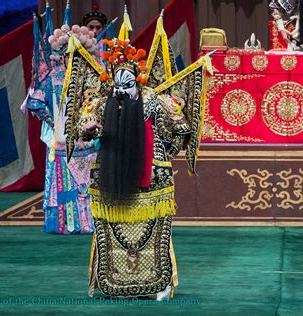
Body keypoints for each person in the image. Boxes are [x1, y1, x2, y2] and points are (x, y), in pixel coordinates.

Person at [63, 9, 210, 300]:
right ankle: (114, 281)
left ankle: (159, 282)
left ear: (138, 79)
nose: (122, 87)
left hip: (152, 172)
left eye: (127, 82)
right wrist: (89, 128)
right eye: (117, 82)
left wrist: (174, 124)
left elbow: (178, 127)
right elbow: (82, 125)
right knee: (111, 226)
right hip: (111, 172)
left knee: (155, 229)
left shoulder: (154, 99)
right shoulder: (102, 101)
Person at [24, 9, 99, 234]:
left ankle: (89, 221)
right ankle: (67, 222)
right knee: (65, 182)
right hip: (63, 140)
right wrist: (53, 122)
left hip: (87, 141)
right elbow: (34, 102)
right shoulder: (53, 78)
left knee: (87, 182)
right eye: (69, 53)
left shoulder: (91, 76)